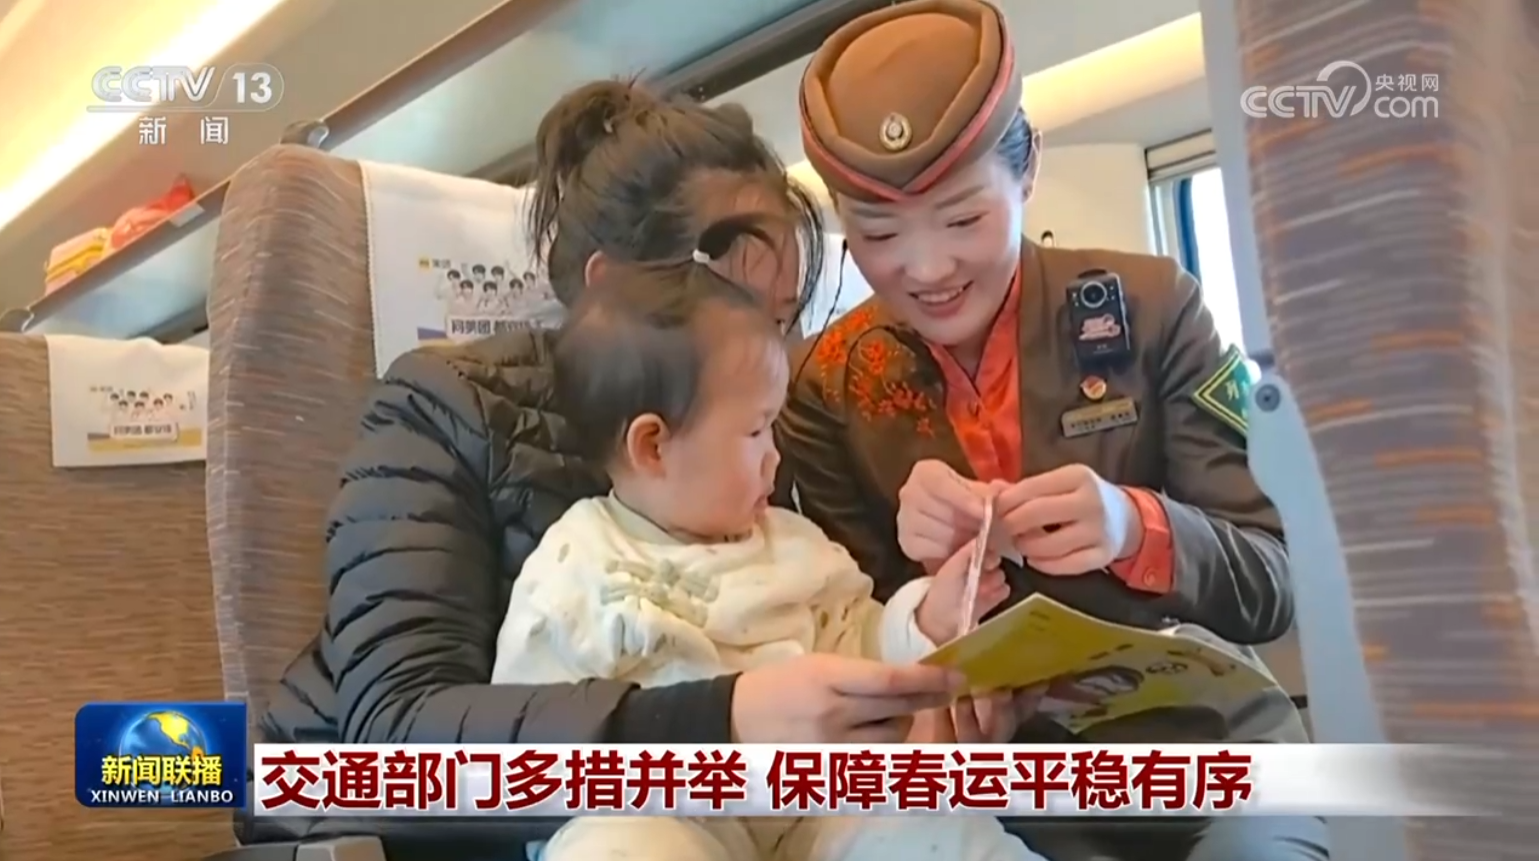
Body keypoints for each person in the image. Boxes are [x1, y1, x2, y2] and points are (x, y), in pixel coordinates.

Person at [250, 80, 966, 855]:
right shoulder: (442, 408)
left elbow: (823, 620)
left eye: (782, 319)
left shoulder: (755, 426)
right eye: (738, 312)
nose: (769, 355)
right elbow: (396, 736)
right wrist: (720, 723)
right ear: (612, 291)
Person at [777, 1, 1325, 859]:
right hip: (1005, 784)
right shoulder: (828, 386)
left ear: (1026, 166)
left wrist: (1135, 526)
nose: (926, 268)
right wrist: (922, 612)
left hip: (1206, 742)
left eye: (962, 219)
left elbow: (1273, 579)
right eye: (878, 233)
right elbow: (848, 636)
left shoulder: (1152, 308)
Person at [493, 242, 1034, 861]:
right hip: (674, 814)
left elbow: (859, 644)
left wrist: (928, 618)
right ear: (653, 446)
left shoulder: (794, 544)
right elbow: (533, 739)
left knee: (935, 830)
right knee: (612, 845)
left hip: (822, 810)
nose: (775, 456)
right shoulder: (575, 568)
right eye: (755, 430)